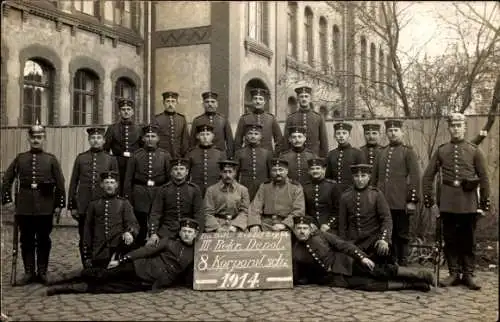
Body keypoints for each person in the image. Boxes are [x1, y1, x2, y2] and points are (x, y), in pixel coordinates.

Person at [422, 112, 490, 290]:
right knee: (450, 238)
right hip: (448, 201)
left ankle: (468, 274)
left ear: (465, 128)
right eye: (453, 126)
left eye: (459, 125)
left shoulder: (474, 150)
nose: (456, 129)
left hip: (468, 201)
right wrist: (430, 201)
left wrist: (484, 203)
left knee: (468, 239)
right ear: (449, 128)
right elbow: (428, 176)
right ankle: (453, 273)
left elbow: (484, 178)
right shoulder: (442, 150)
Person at [46, 218, 200, 295]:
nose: (186, 234)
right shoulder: (168, 242)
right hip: (137, 268)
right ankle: (63, 278)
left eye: (190, 232)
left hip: (146, 284)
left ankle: (67, 289)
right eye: (184, 231)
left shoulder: (195, 253)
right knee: (103, 274)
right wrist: (122, 260)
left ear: (195, 234)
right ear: (180, 232)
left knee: (108, 288)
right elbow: (145, 251)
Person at [292, 216, 435, 292]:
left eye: (305, 228)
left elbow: (344, 245)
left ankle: (420, 275)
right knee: (369, 286)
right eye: (299, 228)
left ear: (311, 229)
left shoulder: (322, 236)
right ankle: (414, 285)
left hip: (348, 264)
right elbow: (300, 274)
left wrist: (363, 257)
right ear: (294, 230)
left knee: (380, 271)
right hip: (334, 278)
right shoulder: (296, 251)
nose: (302, 231)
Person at [1, 121, 65, 285]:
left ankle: (42, 272)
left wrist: (58, 205)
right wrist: (7, 201)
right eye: (33, 137)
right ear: (28, 139)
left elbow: (60, 183)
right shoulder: (20, 159)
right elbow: (7, 180)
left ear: (44, 139)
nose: (36, 140)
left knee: (44, 239)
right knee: (26, 239)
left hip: (45, 206)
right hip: (25, 207)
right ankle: (29, 272)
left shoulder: (51, 160)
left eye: (39, 137)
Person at [371, 119, 420, 266]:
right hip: (382, 200)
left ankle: (403, 262)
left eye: (396, 130)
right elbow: (374, 178)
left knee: (401, 233)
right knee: (386, 232)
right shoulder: (381, 152)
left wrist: (412, 200)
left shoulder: (408, 152)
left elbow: (415, 177)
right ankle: (389, 262)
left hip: (400, 201)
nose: (393, 133)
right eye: (390, 131)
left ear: (401, 132)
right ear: (386, 133)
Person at [68, 127, 119, 266]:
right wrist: (72, 206)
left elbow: (115, 184)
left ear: (104, 140)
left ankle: (101, 265)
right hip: (84, 204)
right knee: (84, 236)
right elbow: (74, 182)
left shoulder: (110, 159)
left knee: (102, 235)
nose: (95, 141)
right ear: (89, 140)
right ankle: (86, 264)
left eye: (98, 138)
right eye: (93, 138)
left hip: (102, 204)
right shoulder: (81, 158)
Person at [123, 124, 172, 246]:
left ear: (158, 138)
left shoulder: (165, 155)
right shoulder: (136, 155)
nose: (150, 139)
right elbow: (128, 179)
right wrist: (128, 198)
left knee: (158, 226)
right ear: (143, 139)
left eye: (153, 136)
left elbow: (169, 179)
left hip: (158, 192)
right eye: (148, 136)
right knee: (140, 225)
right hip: (140, 194)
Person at [82, 171, 139, 270]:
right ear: (101, 185)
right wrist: (87, 254)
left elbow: (132, 223)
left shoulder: (124, 203)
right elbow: (87, 229)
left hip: (117, 249)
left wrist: (129, 232)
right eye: (106, 182)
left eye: (112, 182)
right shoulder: (94, 204)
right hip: (99, 249)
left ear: (116, 185)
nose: (109, 186)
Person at [338, 164, 392, 264]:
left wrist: (384, 239)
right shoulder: (345, 196)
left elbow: (386, 218)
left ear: (369, 177)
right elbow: (342, 224)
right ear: (352, 177)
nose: (360, 179)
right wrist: (344, 244)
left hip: (373, 241)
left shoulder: (376, 194)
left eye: (363, 176)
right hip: (354, 242)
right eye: (356, 176)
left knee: (383, 260)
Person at [147, 159, 204, 242]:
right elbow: (155, 213)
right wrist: (153, 233)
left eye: (181, 169)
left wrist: (197, 234)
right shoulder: (163, 190)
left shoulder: (194, 189)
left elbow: (199, 214)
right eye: (176, 169)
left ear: (187, 172)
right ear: (171, 172)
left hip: (188, 231)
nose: (179, 172)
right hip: (167, 231)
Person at [248, 159, 305, 232]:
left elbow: (299, 210)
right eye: (274, 170)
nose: (278, 173)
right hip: (265, 224)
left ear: (287, 171)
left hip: (286, 225)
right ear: (271, 172)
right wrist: (255, 224)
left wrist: (284, 224)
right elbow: (255, 207)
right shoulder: (265, 186)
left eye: (281, 170)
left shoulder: (296, 187)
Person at [104, 98, 143, 195]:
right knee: (118, 188)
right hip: (117, 163)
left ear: (133, 112)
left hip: (134, 163)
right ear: (119, 112)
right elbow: (106, 149)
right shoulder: (112, 128)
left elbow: (142, 150)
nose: (126, 112)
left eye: (128, 109)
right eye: (123, 109)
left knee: (133, 188)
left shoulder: (139, 129)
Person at [234, 88, 283, 155]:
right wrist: (240, 155)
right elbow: (238, 140)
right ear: (252, 101)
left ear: (264, 102)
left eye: (260, 99)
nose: (258, 101)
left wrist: (275, 155)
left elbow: (279, 140)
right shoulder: (244, 118)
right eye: (255, 99)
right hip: (248, 156)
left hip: (267, 156)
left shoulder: (271, 118)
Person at [204, 160, 250, 232]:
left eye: (230, 172)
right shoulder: (211, 190)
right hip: (217, 225)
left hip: (237, 225)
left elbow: (245, 211)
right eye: (225, 172)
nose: (227, 175)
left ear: (235, 173)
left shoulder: (243, 190)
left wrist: (235, 226)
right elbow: (207, 213)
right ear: (221, 173)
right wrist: (217, 228)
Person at [283, 86, 329, 157]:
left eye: (306, 96)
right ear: (298, 99)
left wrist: (323, 159)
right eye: (301, 96)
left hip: (314, 156)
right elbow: (286, 141)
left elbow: (324, 141)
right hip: (295, 156)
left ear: (310, 99)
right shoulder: (291, 118)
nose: (304, 99)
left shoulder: (318, 117)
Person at [234, 123, 273, 201]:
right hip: (245, 187)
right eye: (250, 133)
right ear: (246, 136)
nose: (253, 136)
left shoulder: (267, 153)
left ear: (261, 136)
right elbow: (235, 174)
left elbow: (271, 174)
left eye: (256, 134)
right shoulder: (239, 153)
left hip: (263, 187)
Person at [186, 123, 227, 196]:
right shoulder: (191, 153)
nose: (205, 137)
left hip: (215, 191)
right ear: (197, 136)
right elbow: (186, 175)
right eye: (202, 134)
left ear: (212, 136)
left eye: (208, 134)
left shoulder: (220, 153)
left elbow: (224, 174)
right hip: (196, 190)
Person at [302, 158, 342, 234]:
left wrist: (328, 224)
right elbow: (304, 210)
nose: (315, 171)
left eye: (318, 168)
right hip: (312, 227)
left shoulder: (333, 186)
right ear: (309, 171)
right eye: (312, 169)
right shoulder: (305, 187)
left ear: (324, 169)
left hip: (330, 227)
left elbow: (338, 210)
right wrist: (310, 223)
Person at [190, 91, 234, 159]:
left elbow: (229, 141)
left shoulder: (223, 120)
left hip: (220, 157)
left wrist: (229, 157)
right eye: (207, 102)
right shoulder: (197, 120)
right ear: (203, 104)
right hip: (202, 156)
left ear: (217, 104)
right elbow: (192, 142)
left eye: (213, 102)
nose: (210, 104)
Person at [325, 122, 364, 193]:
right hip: (335, 191)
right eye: (338, 133)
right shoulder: (331, 154)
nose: (341, 136)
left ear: (349, 136)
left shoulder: (357, 153)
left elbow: (361, 175)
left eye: (344, 133)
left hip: (352, 191)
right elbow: (328, 176)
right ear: (334, 136)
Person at [152, 91, 190, 158]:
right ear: (163, 103)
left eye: (173, 101)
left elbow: (185, 140)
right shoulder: (157, 119)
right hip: (161, 156)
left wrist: (185, 156)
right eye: (168, 101)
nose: (170, 104)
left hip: (177, 155)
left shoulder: (181, 119)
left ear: (176, 103)